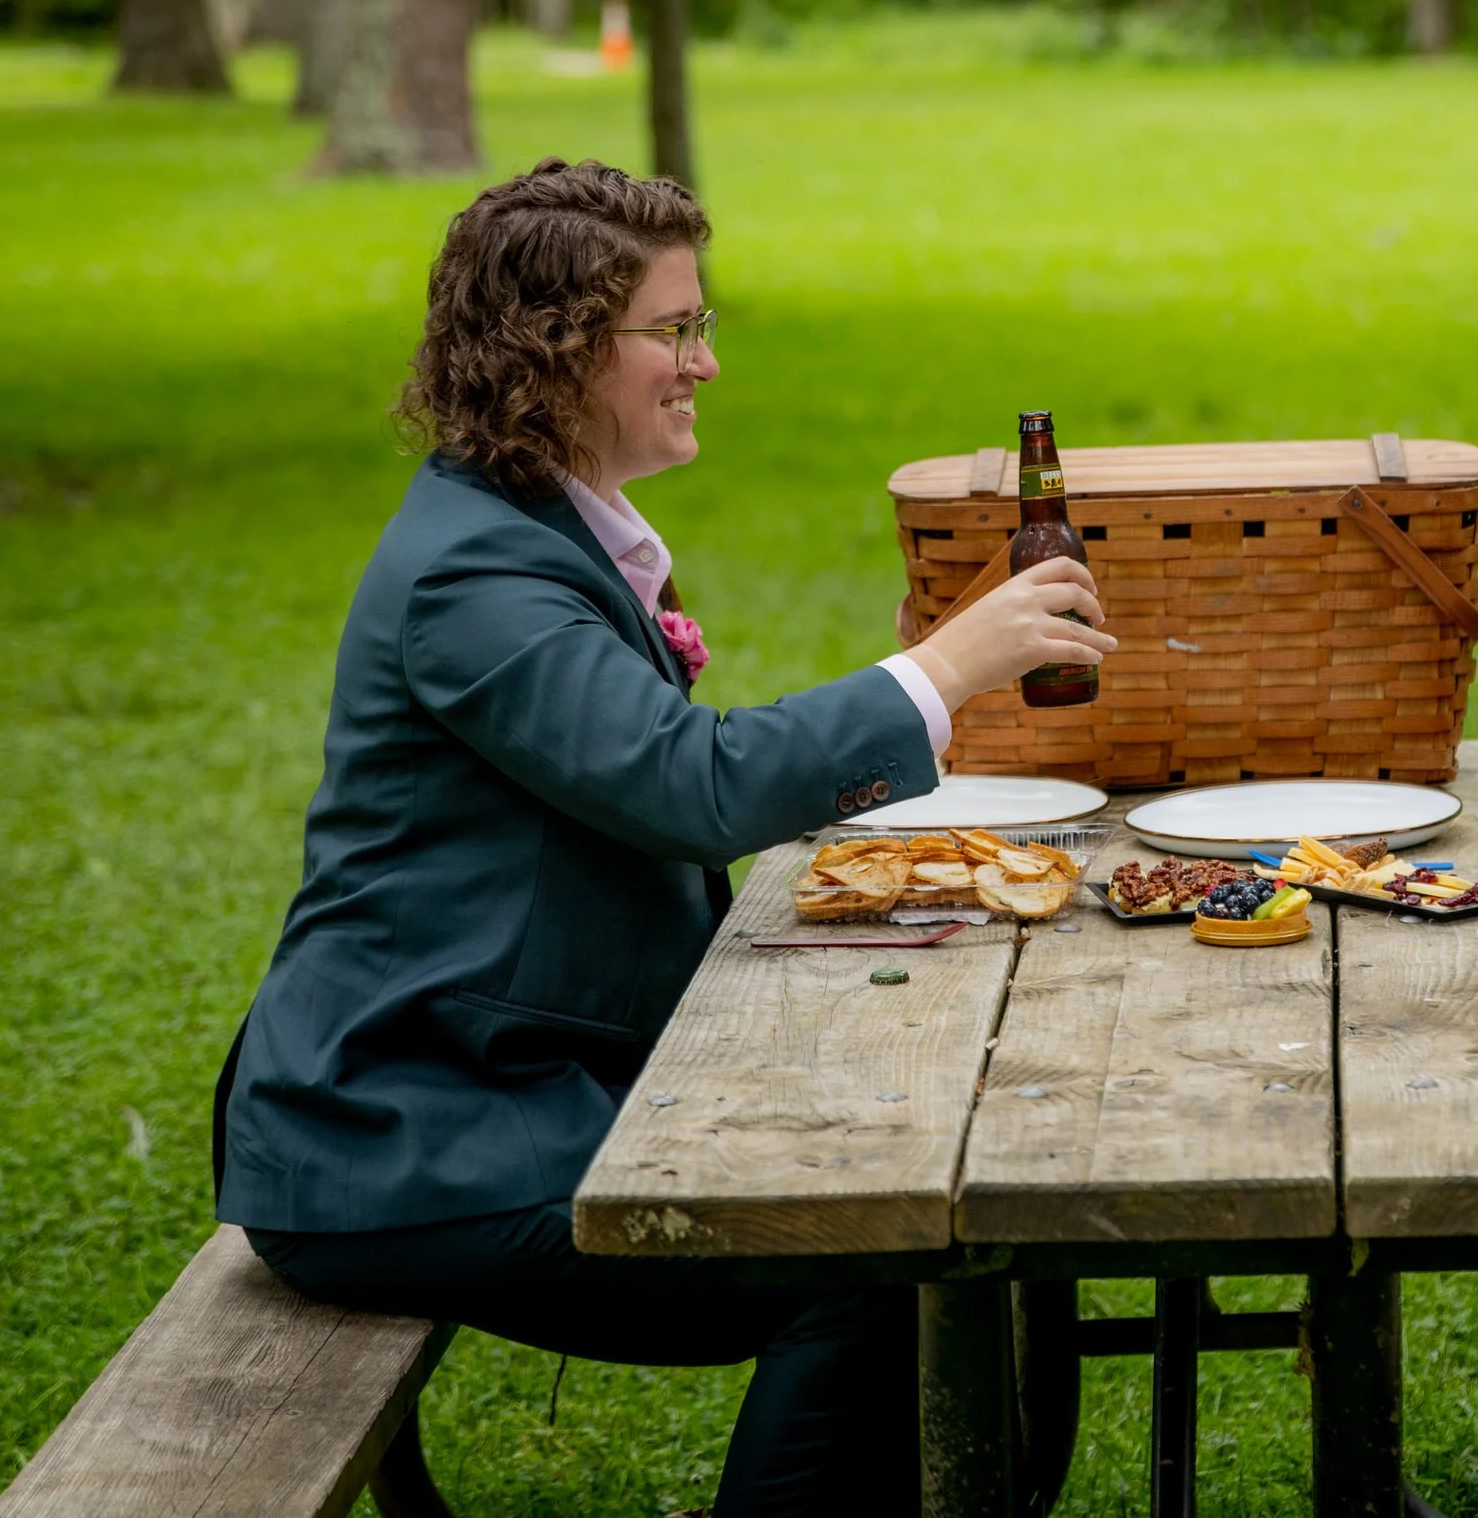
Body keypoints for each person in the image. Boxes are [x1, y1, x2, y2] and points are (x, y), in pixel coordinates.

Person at [212, 159, 1115, 1515]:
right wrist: (945, 668)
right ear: (556, 348)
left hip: (502, 1085)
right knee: (888, 1256)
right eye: (675, 330)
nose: (705, 362)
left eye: (702, 324)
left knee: (982, 1221)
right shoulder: (474, 573)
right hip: (403, 1132)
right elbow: (682, 786)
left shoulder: (533, 529)